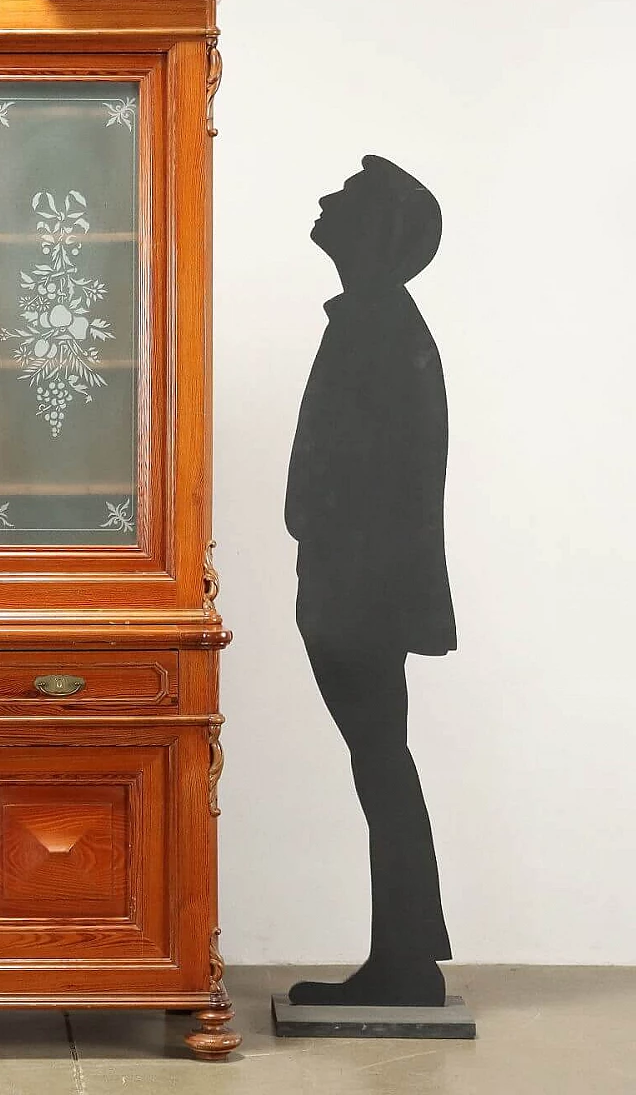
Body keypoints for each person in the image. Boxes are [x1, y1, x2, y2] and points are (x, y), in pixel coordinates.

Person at [285, 155, 456, 1007]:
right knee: (380, 760)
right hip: (353, 582)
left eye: (347, 198)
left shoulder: (379, 327)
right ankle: (408, 954)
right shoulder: (375, 322)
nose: (325, 200)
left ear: (379, 232)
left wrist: (341, 575)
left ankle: (407, 959)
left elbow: (393, 480)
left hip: (360, 588)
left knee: (380, 760)